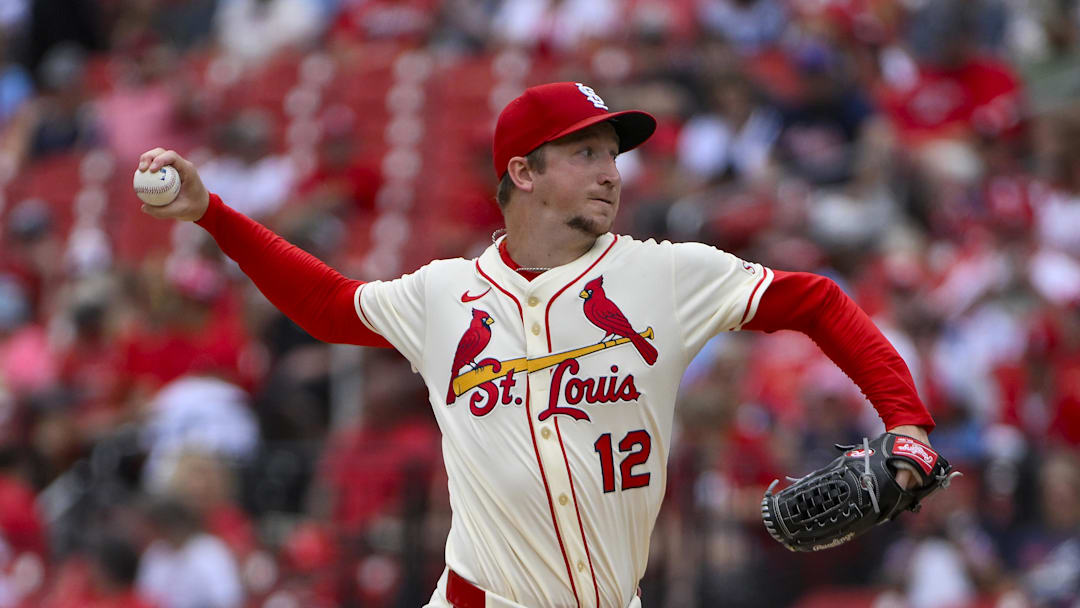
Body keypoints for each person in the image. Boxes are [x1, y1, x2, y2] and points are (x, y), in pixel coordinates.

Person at [136, 81, 938, 608]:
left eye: (612, 154)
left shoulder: (666, 276)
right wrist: (213, 214)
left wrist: (907, 422)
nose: (610, 173)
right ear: (523, 172)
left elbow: (818, 301)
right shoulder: (444, 293)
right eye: (585, 152)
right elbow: (331, 305)